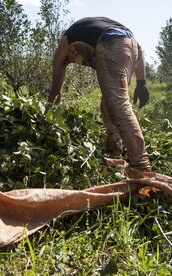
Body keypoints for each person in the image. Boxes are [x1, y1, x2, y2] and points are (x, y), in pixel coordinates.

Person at [47, 17, 151, 171]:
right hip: (130, 45)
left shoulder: (65, 41)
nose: (70, 61)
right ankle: (115, 151)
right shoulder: (89, 31)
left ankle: (141, 166)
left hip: (110, 44)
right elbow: (140, 48)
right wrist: (141, 83)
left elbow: (56, 90)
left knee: (118, 105)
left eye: (70, 59)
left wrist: (48, 113)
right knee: (108, 104)